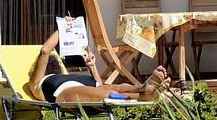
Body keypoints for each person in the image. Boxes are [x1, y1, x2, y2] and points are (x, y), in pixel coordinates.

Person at [27, 23, 168, 105]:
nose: (53, 61)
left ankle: (143, 88)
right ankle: (146, 95)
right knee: (109, 94)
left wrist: (92, 66)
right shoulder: (36, 82)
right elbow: (45, 50)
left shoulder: (68, 75)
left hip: (89, 85)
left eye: (54, 60)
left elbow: (98, 85)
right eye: (51, 61)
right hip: (63, 92)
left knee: (118, 86)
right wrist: (65, 28)